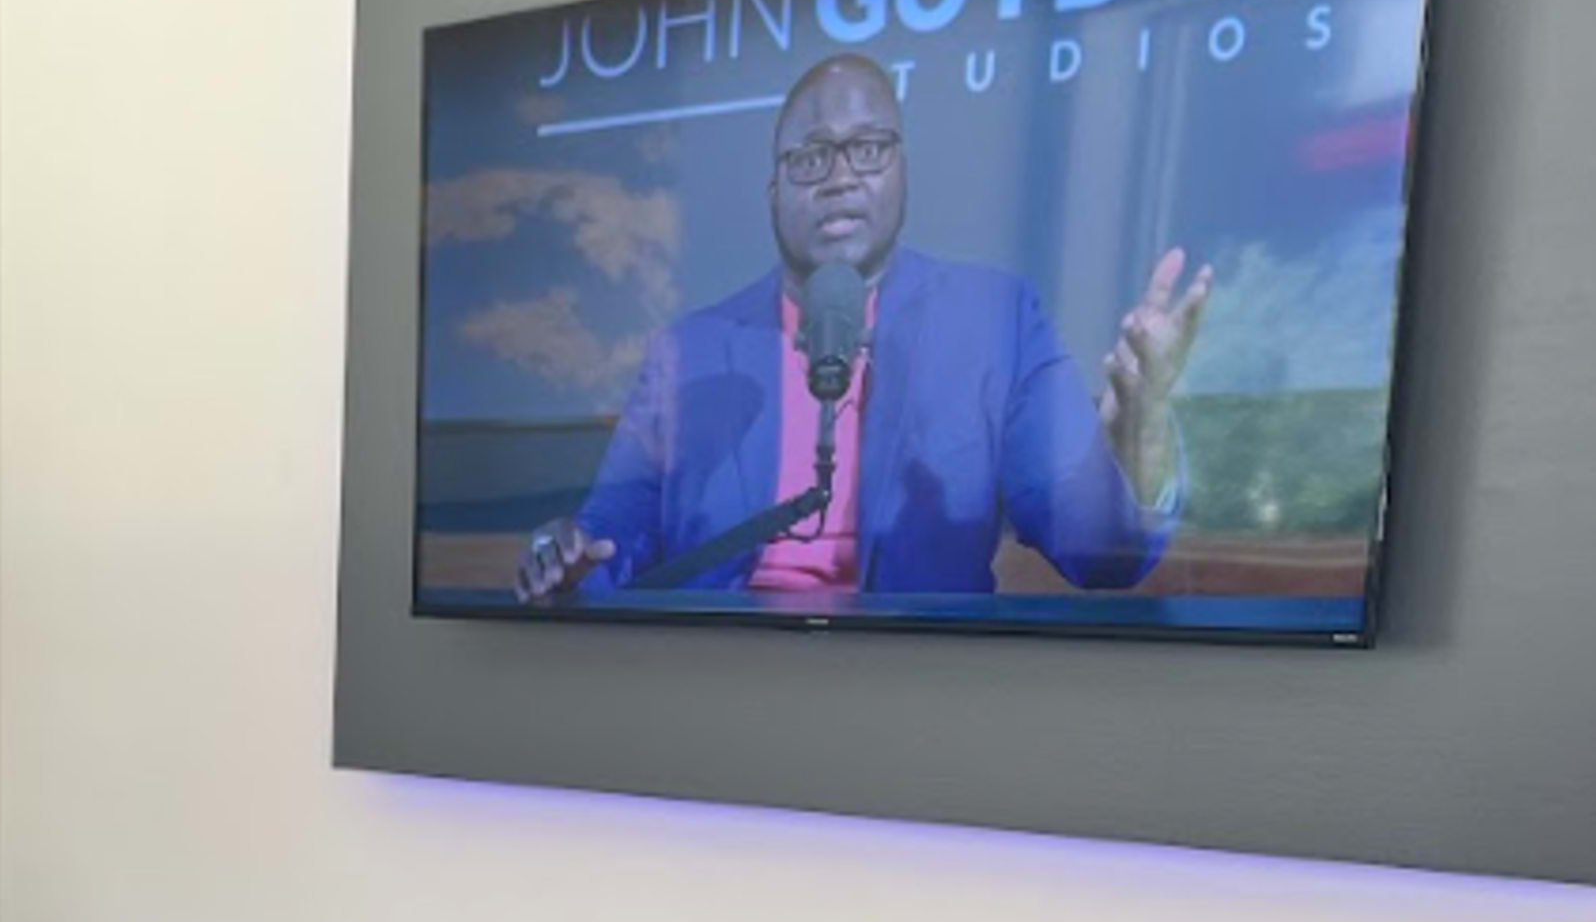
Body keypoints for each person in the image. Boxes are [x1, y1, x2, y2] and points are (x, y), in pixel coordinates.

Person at [515, 56, 1210, 607]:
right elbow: (612, 537)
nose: (841, 177)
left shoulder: (996, 318)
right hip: (713, 683)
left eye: (869, 149)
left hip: (917, 695)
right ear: (773, 192)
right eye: (811, 158)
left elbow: (1099, 554)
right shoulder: (687, 353)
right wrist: (568, 554)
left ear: (903, 171)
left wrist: (1142, 426)